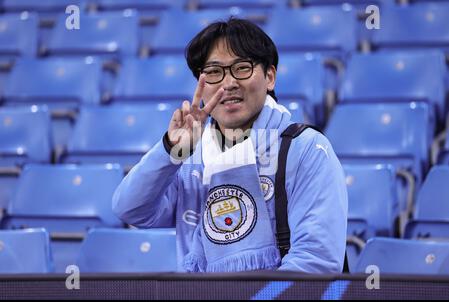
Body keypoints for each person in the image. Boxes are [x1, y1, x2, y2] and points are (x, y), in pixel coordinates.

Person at [112, 18, 347, 273]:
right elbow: (131, 209)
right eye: (214, 72)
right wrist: (171, 151)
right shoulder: (190, 155)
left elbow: (315, 262)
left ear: (270, 77)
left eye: (242, 68)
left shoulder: (306, 150)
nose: (228, 83)